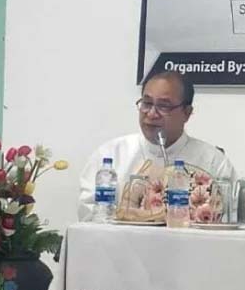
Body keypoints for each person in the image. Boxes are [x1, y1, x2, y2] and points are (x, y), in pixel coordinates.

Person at [77, 70, 236, 221]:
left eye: (164, 106)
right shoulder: (111, 154)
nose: (152, 114)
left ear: (187, 113)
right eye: (146, 103)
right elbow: (88, 216)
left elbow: (230, 218)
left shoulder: (212, 161)